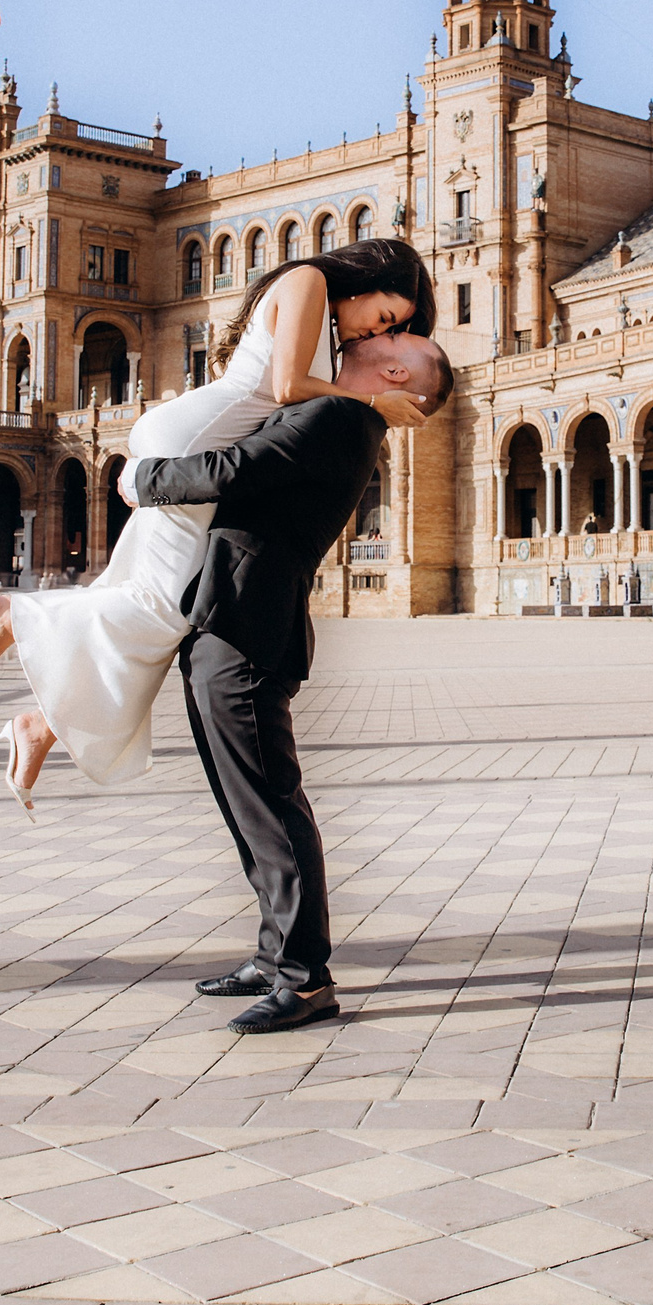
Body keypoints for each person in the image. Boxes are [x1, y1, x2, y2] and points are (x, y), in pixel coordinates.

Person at [0, 239, 435, 807]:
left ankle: (44, 725)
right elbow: (286, 390)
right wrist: (375, 405)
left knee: (162, 597)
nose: (369, 333)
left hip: (203, 434)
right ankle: (17, 616)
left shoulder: (330, 326)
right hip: (201, 439)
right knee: (162, 605)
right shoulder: (310, 280)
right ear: (365, 280)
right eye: (383, 317)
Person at [124, 329, 456, 1032]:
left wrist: (141, 479)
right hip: (231, 619)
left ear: (396, 370)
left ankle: (305, 978)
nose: (377, 331)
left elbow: (230, 468)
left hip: (248, 626)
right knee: (245, 804)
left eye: (397, 335)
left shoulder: (340, 417)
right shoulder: (338, 413)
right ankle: (277, 953)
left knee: (270, 804)